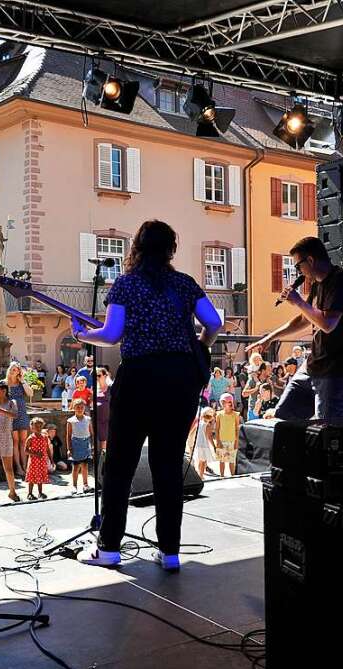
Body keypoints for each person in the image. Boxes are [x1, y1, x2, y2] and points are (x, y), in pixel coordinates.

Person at [73, 220, 223, 571]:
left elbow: (111, 335)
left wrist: (82, 336)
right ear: (171, 248)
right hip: (179, 379)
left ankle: (109, 548)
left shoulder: (126, 284)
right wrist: (200, 346)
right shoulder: (184, 284)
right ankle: (170, 551)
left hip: (139, 377)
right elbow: (214, 323)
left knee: (120, 464)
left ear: (137, 248)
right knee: (168, 464)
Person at [247, 236, 343, 421]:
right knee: (283, 417)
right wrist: (270, 338)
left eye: (298, 266)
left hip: (337, 370)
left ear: (311, 260)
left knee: (326, 431)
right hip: (314, 365)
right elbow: (305, 319)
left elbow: (327, 324)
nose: (299, 272)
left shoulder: (342, 279)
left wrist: (298, 301)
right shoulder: (317, 285)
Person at [6, 361, 32, 477]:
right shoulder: (5, 384)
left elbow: (30, 393)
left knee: (23, 441)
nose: (14, 371)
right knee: (15, 442)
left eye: (16, 369)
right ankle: (18, 467)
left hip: (22, 413)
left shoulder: (21, 383)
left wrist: (23, 380)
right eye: (12, 369)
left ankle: (26, 466)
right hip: (11, 415)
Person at [66, 398, 93, 494]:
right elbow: (68, 435)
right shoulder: (71, 421)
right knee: (76, 466)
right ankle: (74, 485)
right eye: (77, 407)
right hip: (76, 444)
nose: (80, 409)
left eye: (82, 407)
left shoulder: (88, 419)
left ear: (84, 408)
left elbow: (91, 433)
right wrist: (69, 448)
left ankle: (85, 484)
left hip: (85, 443)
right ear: (74, 408)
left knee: (85, 465)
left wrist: (92, 445)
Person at [215, 393, 243, 476]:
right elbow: (217, 429)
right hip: (222, 440)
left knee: (231, 460)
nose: (223, 404)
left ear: (230, 402)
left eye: (225, 402)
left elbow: (237, 429)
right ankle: (222, 476)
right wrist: (218, 441)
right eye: (222, 402)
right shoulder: (219, 414)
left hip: (232, 440)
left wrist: (236, 441)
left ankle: (232, 476)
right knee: (222, 460)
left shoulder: (236, 415)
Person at [25, 417, 52, 500]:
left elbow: (47, 449)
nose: (38, 428)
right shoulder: (30, 438)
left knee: (40, 476)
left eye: (40, 426)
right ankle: (30, 493)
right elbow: (26, 450)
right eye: (36, 427)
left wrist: (51, 459)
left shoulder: (44, 437)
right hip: (34, 461)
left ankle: (40, 493)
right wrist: (35, 454)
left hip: (42, 461)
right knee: (32, 477)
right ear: (32, 427)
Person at [191, 406, 217, 478]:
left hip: (198, 444)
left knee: (200, 461)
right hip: (204, 445)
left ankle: (200, 475)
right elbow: (209, 437)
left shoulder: (199, 423)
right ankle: (201, 476)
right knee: (203, 461)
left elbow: (193, 432)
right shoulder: (207, 425)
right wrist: (214, 446)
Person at [94, 367, 111, 453]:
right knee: (99, 446)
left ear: (105, 375)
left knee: (106, 445)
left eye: (99, 375)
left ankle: (105, 464)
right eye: (95, 376)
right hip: (97, 420)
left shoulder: (110, 388)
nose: (97, 377)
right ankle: (102, 464)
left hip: (108, 421)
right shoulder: (95, 389)